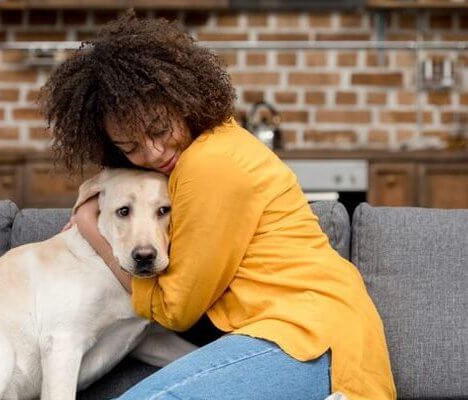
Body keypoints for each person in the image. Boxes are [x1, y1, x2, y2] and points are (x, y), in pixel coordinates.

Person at [39, 10, 396, 400]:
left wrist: (90, 227)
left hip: (306, 337)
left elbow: (175, 310)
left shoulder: (209, 163)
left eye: (159, 129)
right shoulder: (205, 152)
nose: (154, 152)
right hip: (292, 334)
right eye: (131, 147)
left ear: (182, 99)